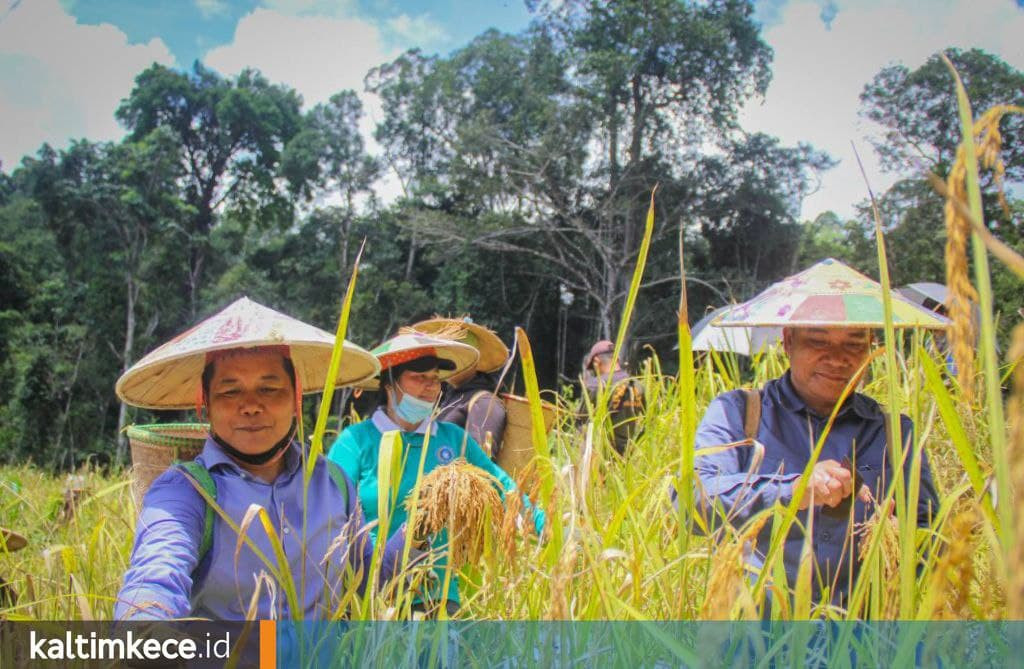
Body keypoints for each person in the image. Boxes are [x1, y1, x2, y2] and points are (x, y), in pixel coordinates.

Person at [113, 297, 412, 620]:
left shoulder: (334, 484)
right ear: (205, 405)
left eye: (270, 389)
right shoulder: (184, 491)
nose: (251, 405)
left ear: (296, 399)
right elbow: (154, 578)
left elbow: (368, 582)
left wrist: (419, 529)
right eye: (230, 392)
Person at [690, 326, 939, 607]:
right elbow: (691, 500)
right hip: (756, 636)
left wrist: (897, 542)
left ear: (871, 347)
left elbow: (930, 534)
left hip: (859, 637)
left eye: (855, 344)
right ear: (788, 341)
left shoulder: (894, 433)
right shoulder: (738, 412)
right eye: (818, 341)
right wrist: (793, 489)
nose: (837, 359)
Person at [327, 332, 544, 616]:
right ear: (390, 382)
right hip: (369, 596)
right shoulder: (356, 441)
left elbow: (500, 486)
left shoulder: (451, 440)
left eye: (435, 379)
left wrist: (544, 526)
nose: (430, 387)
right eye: (419, 378)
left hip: (436, 595)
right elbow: (329, 511)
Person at [411, 317, 510, 459]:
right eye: (445, 356)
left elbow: (477, 465)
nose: (449, 362)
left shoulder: (484, 403)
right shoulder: (451, 398)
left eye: (459, 356)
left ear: (474, 361)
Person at [580, 340, 645, 455]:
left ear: (596, 361)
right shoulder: (637, 385)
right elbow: (649, 421)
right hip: (632, 459)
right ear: (617, 360)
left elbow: (582, 422)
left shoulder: (595, 386)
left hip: (602, 459)